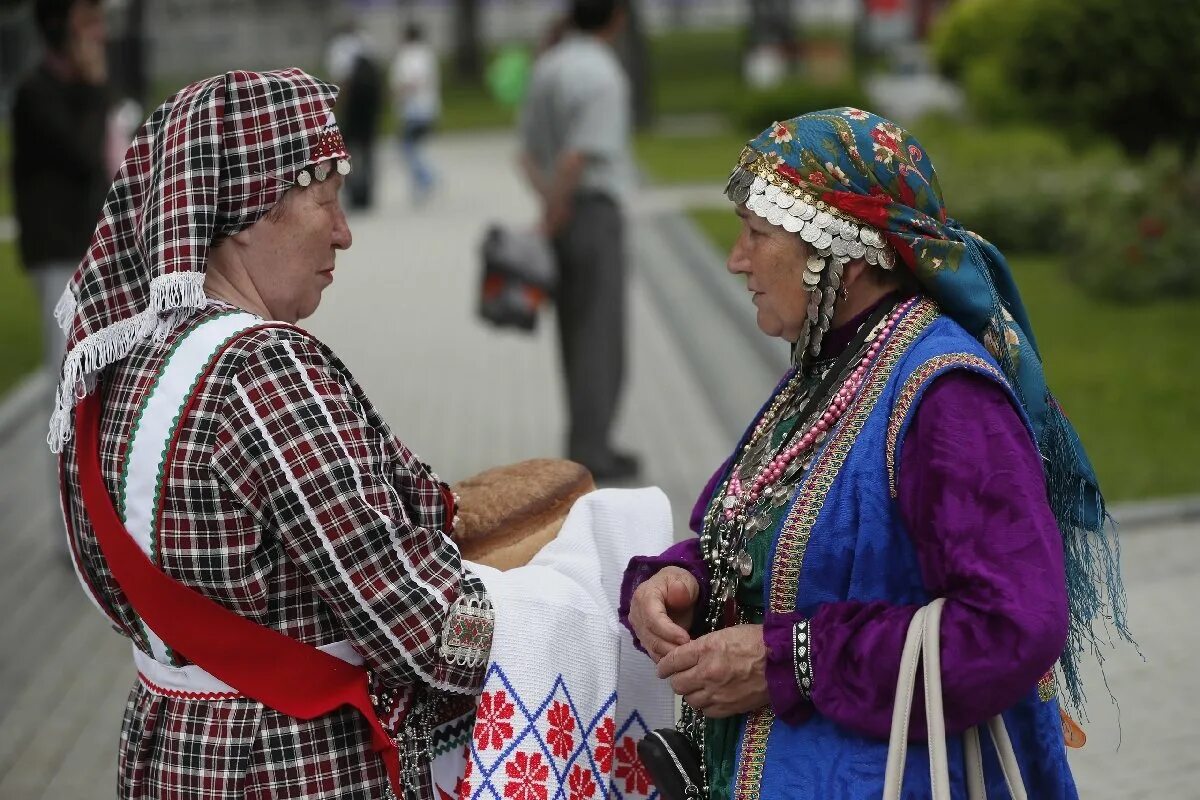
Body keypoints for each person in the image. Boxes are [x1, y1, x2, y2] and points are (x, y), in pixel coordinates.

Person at [620, 109, 1132, 798]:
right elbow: (785, 544)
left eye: (758, 234)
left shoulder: (947, 397)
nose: (736, 259)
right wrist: (679, 581)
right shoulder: (830, 367)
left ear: (843, 253)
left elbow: (1014, 625)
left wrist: (789, 659)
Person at [49, 69, 495, 799]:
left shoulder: (124, 363)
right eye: (326, 199)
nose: (345, 232)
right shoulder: (263, 367)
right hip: (284, 761)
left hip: (172, 748)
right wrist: (576, 612)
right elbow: (421, 624)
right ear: (251, 208)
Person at [519, 0, 639, 480]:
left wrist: (548, 207)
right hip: (589, 211)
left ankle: (583, 441)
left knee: (573, 331)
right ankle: (593, 450)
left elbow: (526, 154)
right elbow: (578, 156)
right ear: (617, 18)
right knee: (600, 335)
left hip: (562, 212)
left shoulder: (548, 65)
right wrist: (561, 206)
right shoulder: (602, 75)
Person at [13, 0, 110, 547]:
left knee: (98, 384)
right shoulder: (36, 94)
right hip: (58, 259)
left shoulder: (75, 89)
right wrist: (96, 89)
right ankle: (70, 533)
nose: (99, 35)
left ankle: (98, 517)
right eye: (87, 25)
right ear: (61, 32)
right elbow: (80, 152)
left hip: (87, 253)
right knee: (66, 389)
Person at [326, 24, 384, 210]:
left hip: (351, 111)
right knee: (368, 151)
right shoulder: (367, 42)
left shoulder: (339, 47)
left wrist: (334, 109)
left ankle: (352, 192)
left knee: (347, 152)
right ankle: (367, 193)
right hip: (370, 110)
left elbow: (340, 82)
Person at [390, 20, 441, 204]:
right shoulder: (426, 53)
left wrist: (397, 94)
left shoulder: (410, 55)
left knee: (407, 148)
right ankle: (419, 185)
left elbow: (413, 80)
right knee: (413, 148)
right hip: (427, 108)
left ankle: (427, 178)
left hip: (414, 109)